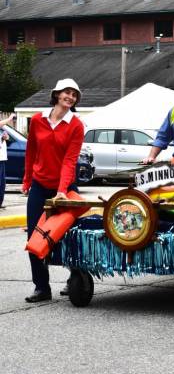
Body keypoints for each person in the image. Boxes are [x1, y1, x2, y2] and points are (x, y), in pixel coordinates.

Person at [22, 79, 84, 303]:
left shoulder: (76, 125)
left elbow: (70, 161)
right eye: (67, 92)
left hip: (65, 188)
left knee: (70, 236)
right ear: (57, 94)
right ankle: (41, 287)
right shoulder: (38, 120)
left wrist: (61, 191)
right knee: (34, 236)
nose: (71, 97)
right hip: (40, 184)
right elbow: (31, 151)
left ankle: (75, 279)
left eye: (74, 95)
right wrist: (27, 180)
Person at [0, 114, 16, 209]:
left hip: (2, 158)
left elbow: (7, 138)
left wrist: (5, 138)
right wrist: (10, 118)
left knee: (2, 183)